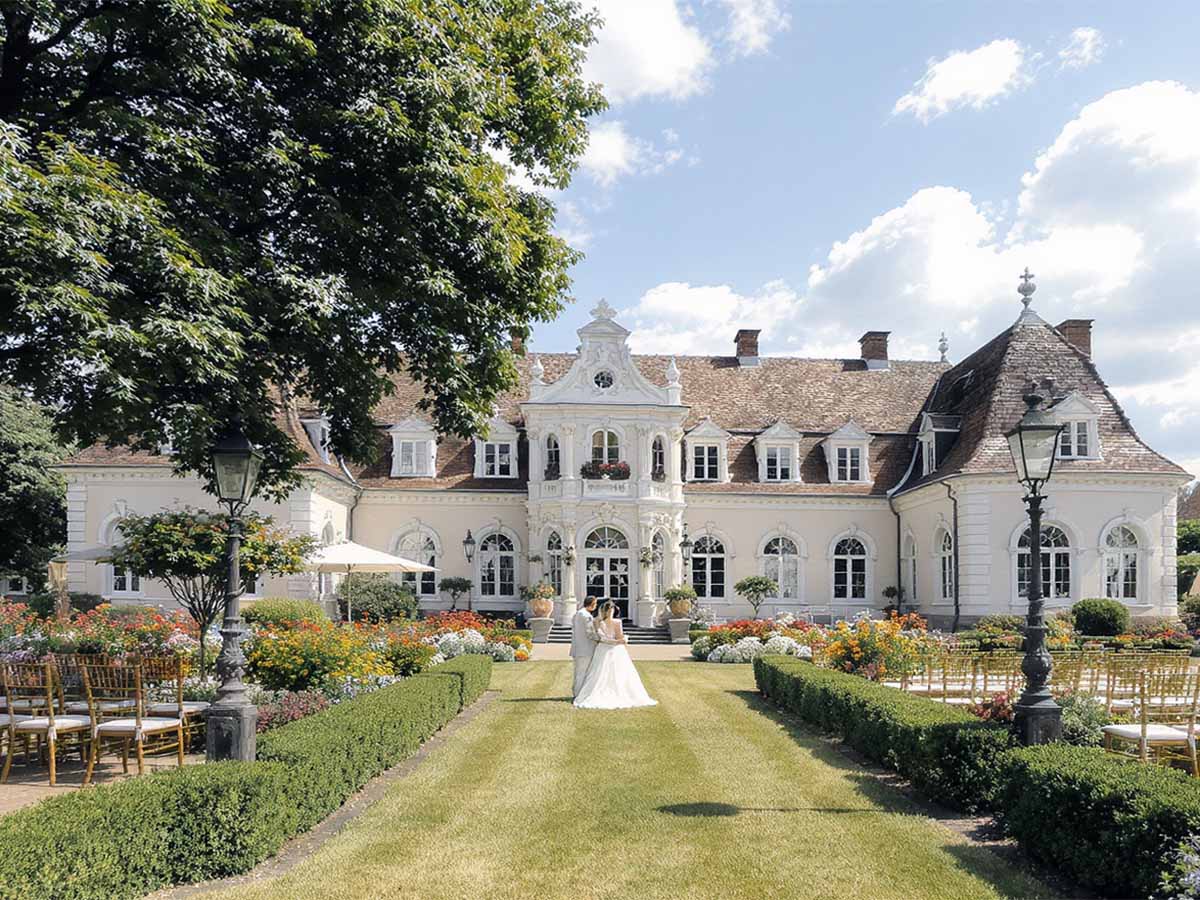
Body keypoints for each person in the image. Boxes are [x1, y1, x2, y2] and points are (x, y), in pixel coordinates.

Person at [574, 601, 657, 709]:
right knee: (599, 673)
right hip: (603, 649)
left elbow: (619, 636)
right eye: (608, 610)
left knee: (619, 672)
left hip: (615, 650)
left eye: (612, 610)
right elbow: (601, 637)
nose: (610, 612)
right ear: (604, 611)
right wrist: (617, 641)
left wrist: (620, 641)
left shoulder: (617, 622)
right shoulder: (597, 622)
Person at [570, 596, 600, 698]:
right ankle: (579, 694)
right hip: (585, 649)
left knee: (578, 672)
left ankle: (576, 692)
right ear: (591, 604)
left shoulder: (577, 614)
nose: (596, 606)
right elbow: (590, 633)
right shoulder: (586, 616)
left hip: (577, 647)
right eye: (595, 604)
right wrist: (600, 639)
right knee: (582, 672)